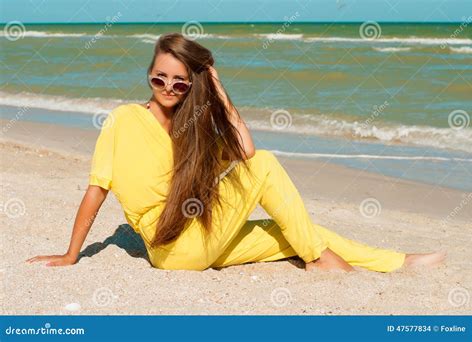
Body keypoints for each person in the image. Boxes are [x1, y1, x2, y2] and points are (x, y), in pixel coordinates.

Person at [26, 33, 446, 272]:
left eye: (181, 82)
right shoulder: (121, 121)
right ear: (149, 76)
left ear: (192, 84)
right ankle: (322, 262)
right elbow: (95, 190)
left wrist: (216, 84)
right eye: (160, 79)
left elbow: (242, 146)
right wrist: (71, 253)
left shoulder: (194, 130)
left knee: (290, 231)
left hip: (197, 241)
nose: (169, 88)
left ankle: (396, 262)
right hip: (173, 249)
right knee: (265, 166)